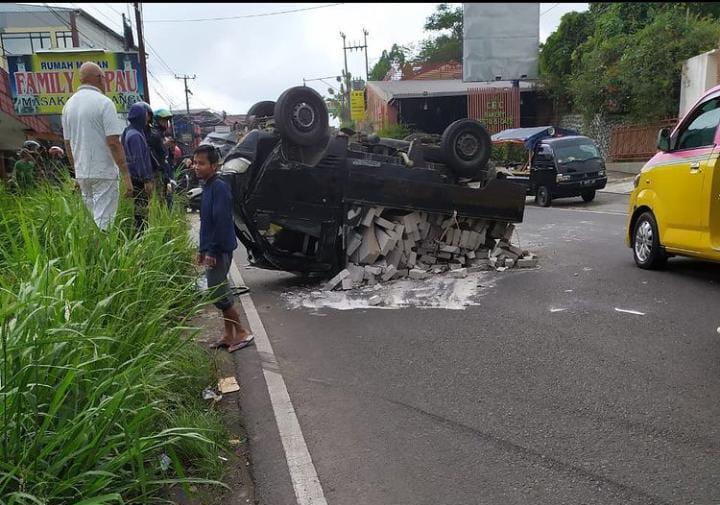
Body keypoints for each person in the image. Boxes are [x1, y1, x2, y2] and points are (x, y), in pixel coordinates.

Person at [193, 144, 254, 352]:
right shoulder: (208, 187)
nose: (196, 167)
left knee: (219, 293)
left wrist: (211, 251)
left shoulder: (219, 187)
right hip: (212, 248)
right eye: (195, 162)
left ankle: (242, 333)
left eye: (201, 163)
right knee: (219, 291)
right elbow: (206, 223)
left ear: (214, 165)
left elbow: (220, 223)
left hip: (219, 249)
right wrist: (202, 250)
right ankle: (229, 334)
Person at [61, 62, 132, 231]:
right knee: (104, 224)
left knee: (91, 223)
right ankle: (105, 256)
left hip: (83, 174)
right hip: (104, 173)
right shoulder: (105, 103)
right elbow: (114, 143)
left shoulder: (68, 106)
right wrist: (126, 176)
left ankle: (90, 255)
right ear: (99, 79)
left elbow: (68, 145)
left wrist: (77, 173)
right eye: (104, 78)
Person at [122, 102, 155, 234]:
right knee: (141, 214)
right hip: (139, 180)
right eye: (146, 115)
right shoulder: (135, 135)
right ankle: (142, 239)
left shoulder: (128, 131)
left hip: (133, 178)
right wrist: (146, 180)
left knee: (138, 213)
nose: (148, 118)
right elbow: (139, 159)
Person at [148, 108, 175, 207]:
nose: (166, 123)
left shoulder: (162, 135)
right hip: (159, 172)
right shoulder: (154, 135)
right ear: (156, 120)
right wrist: (164, 146)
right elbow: (155, 155)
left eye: (167, 121)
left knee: (169, 197)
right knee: (163, 200)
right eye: (163, 120)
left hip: (166, 170)